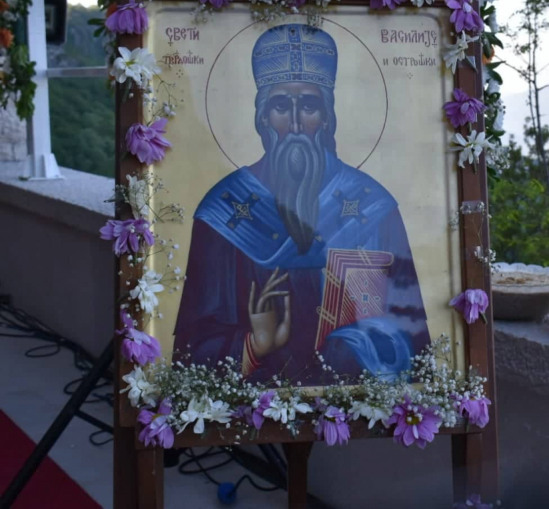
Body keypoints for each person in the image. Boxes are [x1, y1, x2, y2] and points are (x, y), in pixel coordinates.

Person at [173, 23, 430, 385]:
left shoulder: (374, 207)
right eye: (280, 105)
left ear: (326, 116)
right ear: (262, 116)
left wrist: (350, 349)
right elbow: (191, 351)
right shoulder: (224, 211)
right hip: (258, 399)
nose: (294, 123)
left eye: (309, 105)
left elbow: (410, 332)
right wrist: (253, 345)